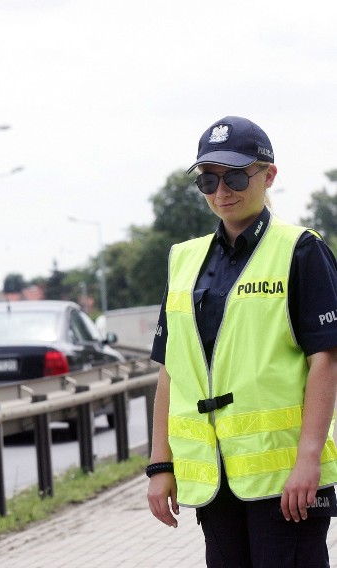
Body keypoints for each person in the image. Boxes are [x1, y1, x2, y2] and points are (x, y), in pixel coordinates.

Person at [146, 115, 337, 567]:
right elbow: (171, 370)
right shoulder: (184, 261)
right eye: (208, 180)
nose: (221, 191)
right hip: (215, 480)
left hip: (288, 481)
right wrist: (160, 465)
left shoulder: (301, 250)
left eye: (234, 176)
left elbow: (326, 360)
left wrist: (308, 460)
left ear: (268, 175)